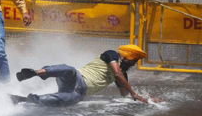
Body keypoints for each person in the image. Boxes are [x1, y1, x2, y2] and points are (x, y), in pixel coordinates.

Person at [11, 45, 149, 106]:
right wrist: (134, 93)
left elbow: (124, 95)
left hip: (79, 93)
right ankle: (36, 72)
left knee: (62, 100)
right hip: (77, 77)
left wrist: (147, 100)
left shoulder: (122, 75)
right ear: (126, 57)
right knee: (68, 69)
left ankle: (23, 100)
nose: (134, 64)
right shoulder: (112, 54)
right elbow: (117, 74)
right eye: (134, 60)